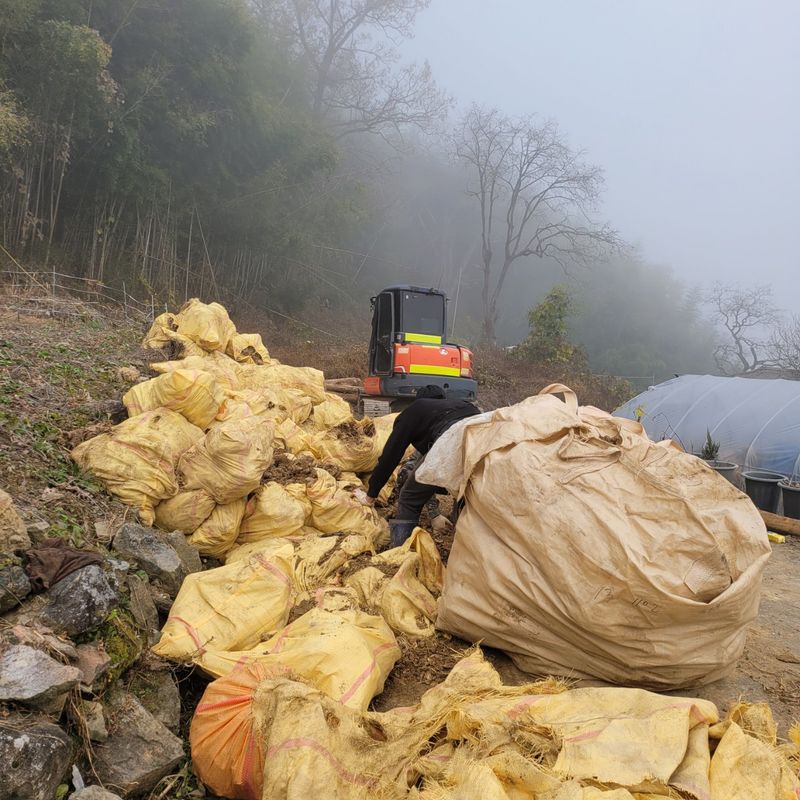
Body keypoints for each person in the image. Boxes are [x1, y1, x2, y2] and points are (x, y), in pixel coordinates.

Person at [364, 385, 480, 547]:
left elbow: (391, 455)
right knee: (469, 494)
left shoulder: (417, 409)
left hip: (452, 441)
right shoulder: (464, 405)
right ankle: (463, 545)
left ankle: (399, 554)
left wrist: (371, 493)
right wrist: (434, 515)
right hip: (483, 442)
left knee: (409, 498)